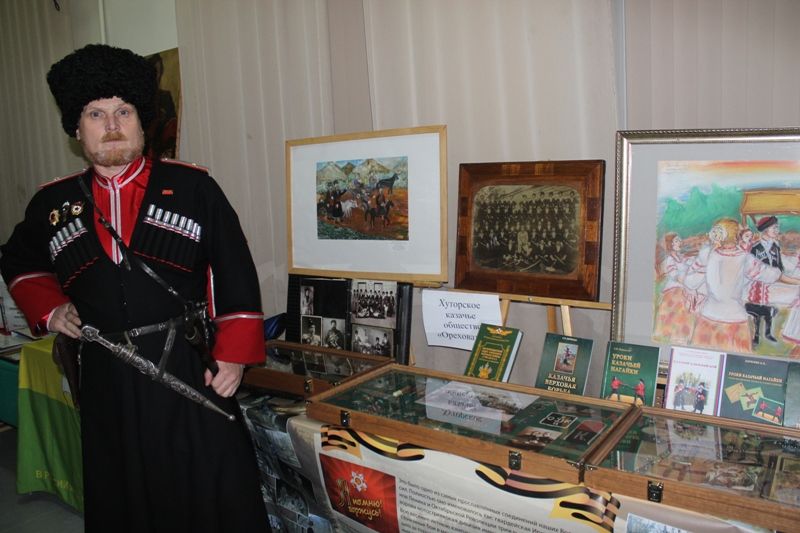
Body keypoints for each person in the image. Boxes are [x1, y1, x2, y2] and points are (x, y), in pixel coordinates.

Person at [0, 44, 269, 532]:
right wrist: (51, 309)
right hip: (106, 375)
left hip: (186, 365)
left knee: (208, 489)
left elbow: (234, 269)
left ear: (142, 122)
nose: (111, 125)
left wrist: (233, 355)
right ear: (76, 129)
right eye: (95, 114)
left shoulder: (193, 189)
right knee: (124, 491)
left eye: (123, 111)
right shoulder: (53, 204)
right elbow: (18, 260)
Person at [746, 216, 784, 344]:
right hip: (757, 284)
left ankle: (768, 333)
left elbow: (779, 265)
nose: (777, 230)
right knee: (757, 307)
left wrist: (779, 275)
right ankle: (756, 335)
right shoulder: (755, 247)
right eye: (774, 228)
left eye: (777, 228)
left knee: (768, 307)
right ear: (766, 230)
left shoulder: (775, 247)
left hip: (771, 284)